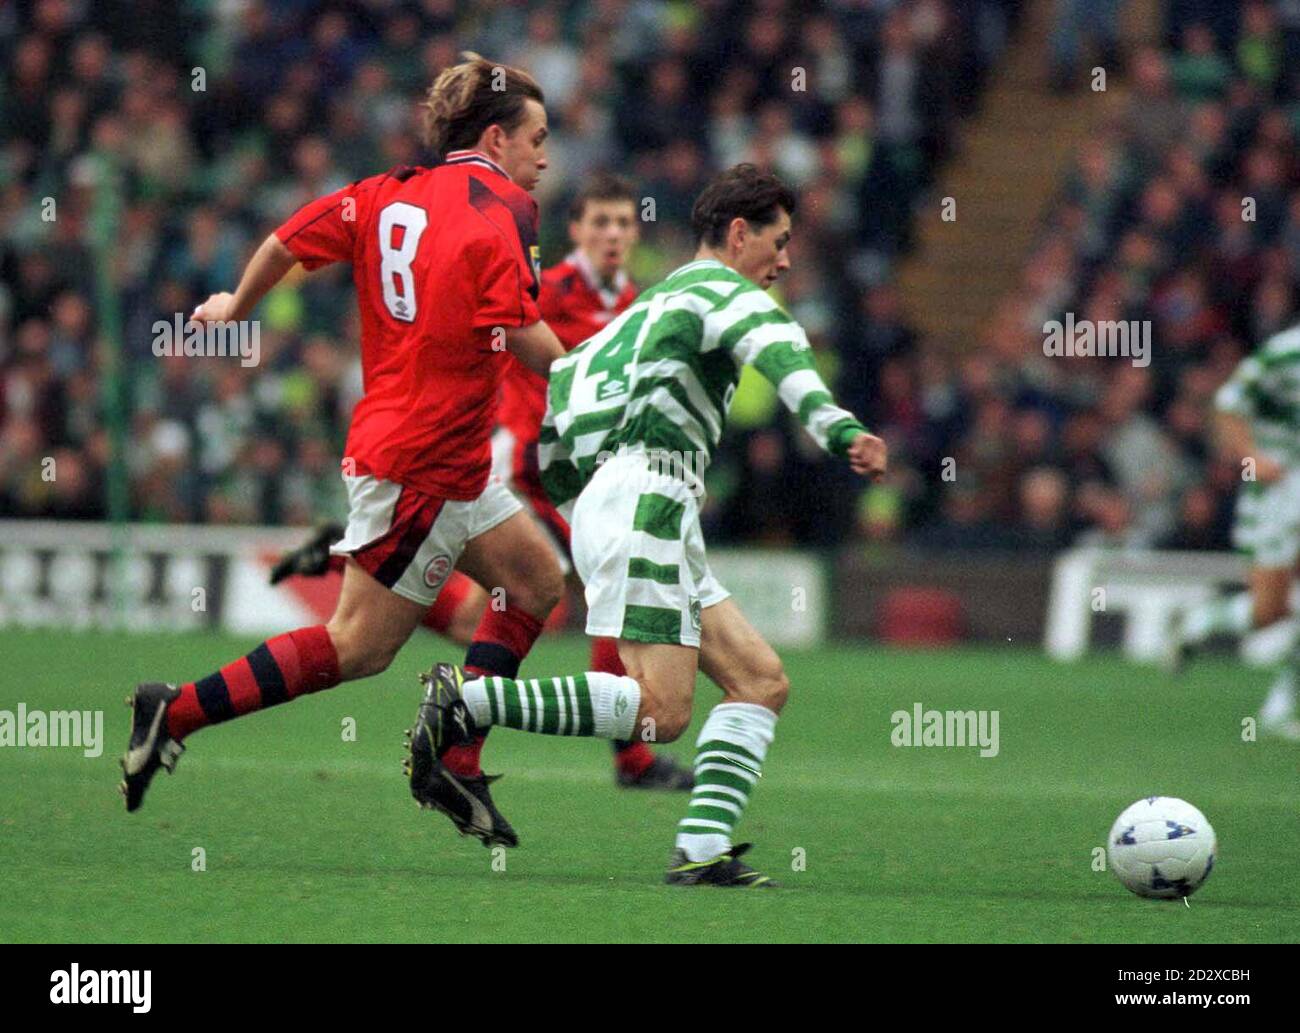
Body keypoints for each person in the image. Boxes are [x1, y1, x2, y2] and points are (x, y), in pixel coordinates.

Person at [120, 56, 570, 840]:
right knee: (358, 647)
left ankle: (455, 759)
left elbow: (286, 240)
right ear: (495, 140)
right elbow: (520, 331)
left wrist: (235, 303)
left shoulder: (384, 191)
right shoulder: (506, 203)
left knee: (535, 580)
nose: (546, 155)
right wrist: (586, 376)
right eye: (537, 137)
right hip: (422, 464)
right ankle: (176, 709)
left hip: (441, 456)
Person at [407, 164, 888, 885]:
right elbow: (782, 349)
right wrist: (840, 427)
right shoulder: (722, 289)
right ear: (737, 233)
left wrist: (581, 506)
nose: (785, 260)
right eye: (779, 241)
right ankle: (466, 700)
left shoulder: (647, 304)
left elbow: (563, 397)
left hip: (629, 496)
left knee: (760, 680)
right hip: (650, 496)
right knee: (661, 711)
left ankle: (699, 851)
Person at [272, 173, 694, 794]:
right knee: (554, 595)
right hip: (523, 464)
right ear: (575, 230)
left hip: (579, 474)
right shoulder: (547, 288)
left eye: (623, 223)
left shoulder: (633, 301)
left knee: (521, 605)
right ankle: (580, 755)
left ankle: (355, 564)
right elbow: (487, 330)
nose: (612, 234)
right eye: (599, 222)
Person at [1168, 323, 1300, 740]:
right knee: (1270, 610)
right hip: (1279, 494)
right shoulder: (1285, 353)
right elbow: (1228, 404)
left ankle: (1281, 706)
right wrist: (1252, 458)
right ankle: (1201, 620)